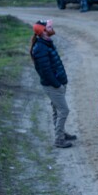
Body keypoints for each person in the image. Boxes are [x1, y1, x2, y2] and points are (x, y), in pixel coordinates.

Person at [30, 19, 76, 149]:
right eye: (49, 27)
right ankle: (59, 140)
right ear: (43, 31)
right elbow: (45, 71)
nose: (52, 28)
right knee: (63, 110)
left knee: (57, 110)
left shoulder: (47, 43)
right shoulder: (40, 48)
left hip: (57, 83)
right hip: (53, 85)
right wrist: (57, 85)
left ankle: (60, 133)